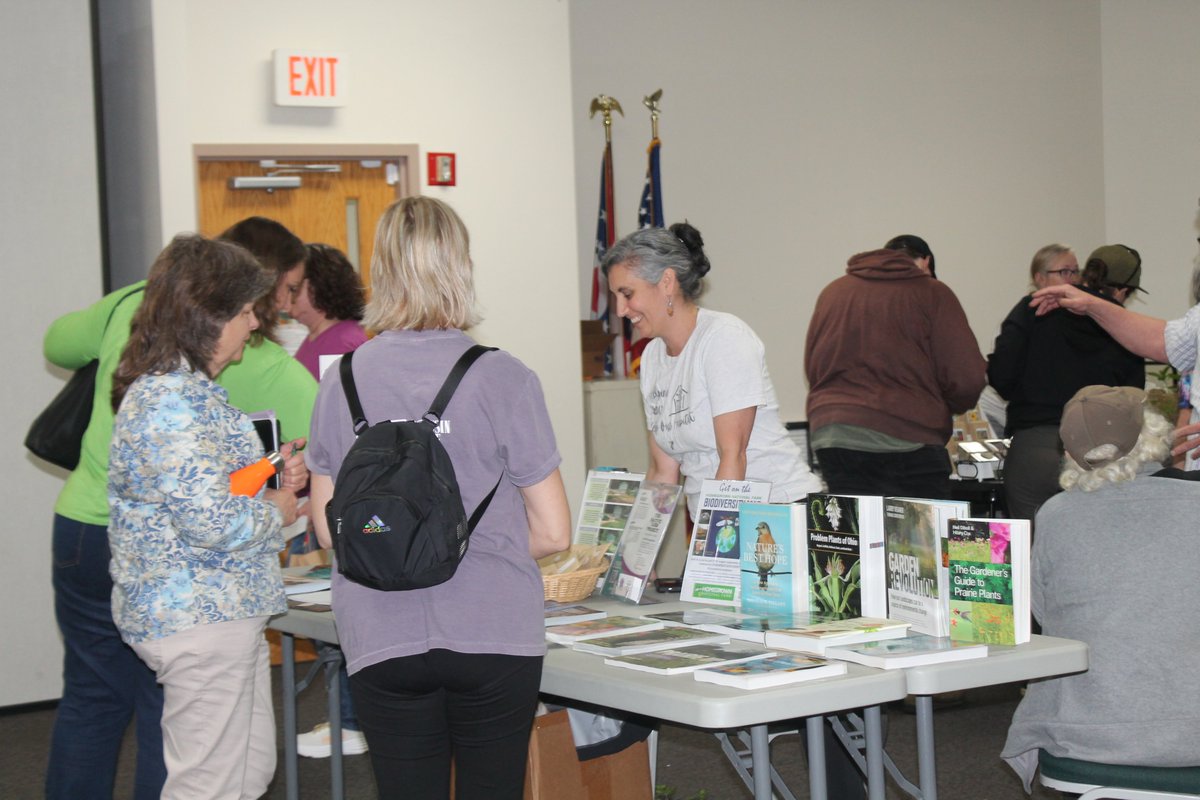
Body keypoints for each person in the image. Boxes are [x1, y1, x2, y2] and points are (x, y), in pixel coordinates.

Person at [42, 215, 316, 799]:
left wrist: (267, 475)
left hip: (221, 612)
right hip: (198, 618)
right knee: (207, 783)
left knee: (244, 772)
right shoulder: (170, 400)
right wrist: (282, 510)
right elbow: (211, 519)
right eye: (246, 312)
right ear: (210, 317)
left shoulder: (187, 391)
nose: (253, 324)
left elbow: (203, 490)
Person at [307, 196, 571, 799]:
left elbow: (328, 531)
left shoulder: (340, 380)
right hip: (492, 627)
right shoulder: (504, 377)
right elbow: (554, 532)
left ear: (381, 269)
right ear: (462, 265)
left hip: (380, 631)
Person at [1001, 385, 1200, 791]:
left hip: (1085, 732)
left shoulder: (1056, 515)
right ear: (1155, 435)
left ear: (1070, 451)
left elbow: (1043, 613)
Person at [601, 222, 823, 519]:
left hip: (779, 513)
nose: (620, 310)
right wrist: (639, 557)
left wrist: (714, 547)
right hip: (720, 519)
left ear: (667, 282)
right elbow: (662, 471)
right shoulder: (653, 356)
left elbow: (733, 457)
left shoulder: (723, 337)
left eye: (627, 294)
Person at [805, 238, 987, 499]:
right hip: (907, 434)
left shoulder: (833, 292)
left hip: (834, 434)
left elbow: (815, 368)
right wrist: (945, 406)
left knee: (857, 534)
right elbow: (966, 377)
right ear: (926, 262)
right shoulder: (932, 292)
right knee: (923, 536)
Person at [283, 242, 370, 759]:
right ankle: (343, 716)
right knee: (322, 616)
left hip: (335, 493)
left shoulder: (348, 340)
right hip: (304, 492)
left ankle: (351, 719)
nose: (287, 296)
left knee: (344, 614)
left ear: (318, 287)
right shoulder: (309, 340)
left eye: (296, 285)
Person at [988, 244, 1145, 522]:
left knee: (1032, 550)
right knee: (1095, 542)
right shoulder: (1116, 317)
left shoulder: (1031, 309)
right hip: (1098, 449)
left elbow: (1001, 374)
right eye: (1065, 271)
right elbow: (1133, 394)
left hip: (1034, 443)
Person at [285, 242, 369, 380]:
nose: (285, 298)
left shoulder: (342, 344)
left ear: (317, 286)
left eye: (294, 288)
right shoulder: (319, 336)